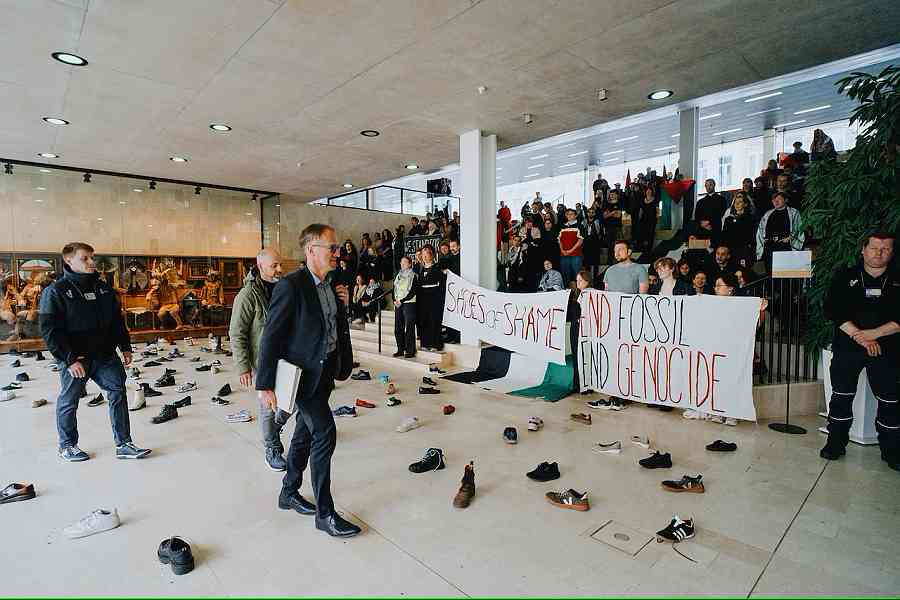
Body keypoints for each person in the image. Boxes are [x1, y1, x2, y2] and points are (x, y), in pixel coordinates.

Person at [255, 224, 360, 538]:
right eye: (332, 247)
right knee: (325, 433)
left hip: (326, 373)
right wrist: (265, 384)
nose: (336, 253)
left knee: (303, 433)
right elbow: (271, 337)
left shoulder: (329, 284)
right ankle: (325, 514)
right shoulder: (292, 286)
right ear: (312, 250)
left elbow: (332, 326)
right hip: (302, 378)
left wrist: (343, 305)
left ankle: (288, 492)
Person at [39, 242, 150, 462]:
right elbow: (50, 332)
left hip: (105, 356)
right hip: (76, 359)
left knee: (118, 392)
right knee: (69, 400)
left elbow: (117, 322)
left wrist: (125, 346)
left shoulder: (104, 289)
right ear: (69, 260)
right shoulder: (56, 291)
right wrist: (69, 360)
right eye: (85, 258)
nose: (92, 262)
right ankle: (67, 445)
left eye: (92, 258)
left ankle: (124, 443)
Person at [820, 232, 900, 470]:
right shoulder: (845, 276)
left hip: (888, 349)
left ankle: (892, 450)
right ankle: (835, 442)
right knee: (841, 396)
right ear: (863, 250)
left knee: (890, 401)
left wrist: (874, 335)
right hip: (848, 346)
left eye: (886, 249)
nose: (879, 253)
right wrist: (860, 337)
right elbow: (833, 310)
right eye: (874, 248)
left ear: (892, 253)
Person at [230, 248, 287, 472]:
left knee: (292, 402)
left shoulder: (284, 288)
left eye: (280, 264)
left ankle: (274, 429)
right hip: (263, 361)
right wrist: (243, 366)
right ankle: (272, 449)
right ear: (260, 266)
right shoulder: (247, 295)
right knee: (268, 406)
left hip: (287, 358)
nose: (280, 269)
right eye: (274, 266)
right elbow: (237, 332)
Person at [756, 191, 804, 272]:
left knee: (785, 273)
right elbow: (760, 231)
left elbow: (799, 227)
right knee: (771, 274)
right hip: (770, 248)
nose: (776, 201)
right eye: (774, 200)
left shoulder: (793, 212)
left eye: (779, 199)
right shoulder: (768, 214)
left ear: (785, 200)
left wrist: (790, 237)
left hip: (785, 247)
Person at [417, 245, 445, 351]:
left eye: (427, 253)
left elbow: (441, 284)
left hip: (434, 297)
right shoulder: (420, 269)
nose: (424, 256)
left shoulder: (437, 268)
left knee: (434, 320)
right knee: (424, 320)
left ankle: (435, 344)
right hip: (423, 298)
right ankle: (425, 343)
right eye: (423, 254)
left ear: (432, 255)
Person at [392, 255, 418, 358]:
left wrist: (401, 300)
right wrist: (394, 299)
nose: (402, 264)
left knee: (409, 327)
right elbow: (394, 289)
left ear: (410, 264)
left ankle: (410, 350)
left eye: (405, 262)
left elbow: (412, 291)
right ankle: (400, 349)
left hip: (409, 303)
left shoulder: (413, 275)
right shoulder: (398, 275)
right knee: (398, 327)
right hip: (398, 303)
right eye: (401, 262)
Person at [721, 195, 756, 269]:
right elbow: (724, 236)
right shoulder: (728, 219)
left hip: (744, 251)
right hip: (730, 251)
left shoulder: (750, 218)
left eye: (740, 202)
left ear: (745, 204)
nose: (736, 204)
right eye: (735, 202)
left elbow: (751, 237)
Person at [558, 208, 585, 286]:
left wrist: (570, 250)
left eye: (571, 214)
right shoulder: (562, 226)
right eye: (567, 214)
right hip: (564, 255)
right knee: (565, 275)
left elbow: (580, 240)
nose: (569, 216)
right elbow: (559, 240)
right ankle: (567, 294)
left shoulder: (580, 226)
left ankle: (578, 293)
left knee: (577, 275)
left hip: (576, 255)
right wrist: (562, 250)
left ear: (575, 215)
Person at [602, 189, 624, 264]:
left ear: (617, 195)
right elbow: (604, 216)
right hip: (608, 227)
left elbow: (618, 215)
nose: (611, 196)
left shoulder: (620, 203)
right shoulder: (606, 204)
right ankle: (609, 262)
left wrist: (609, 213)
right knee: (609, 246)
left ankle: (618, 260)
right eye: (610, 194)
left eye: (613, 194)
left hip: (617, 227)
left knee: (618, 245)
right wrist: (613, 212)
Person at [637, 185, 659, 252]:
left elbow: (657, 211)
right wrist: (639, 219)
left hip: (652, 220)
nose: (648, 192)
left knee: (650, 235)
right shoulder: (642, 200)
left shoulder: (655, 199)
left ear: (652, 192)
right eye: (647, 190)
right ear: (645, 192)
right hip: (643, 220)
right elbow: (641, 210)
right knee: (643, 235)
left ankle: (649, 250)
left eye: (650, 191)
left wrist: (657, 219)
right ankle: (643, 249)